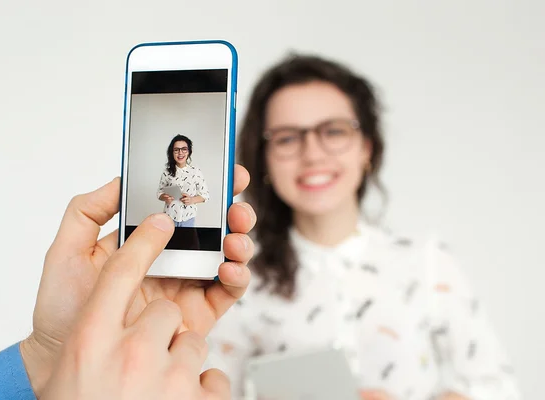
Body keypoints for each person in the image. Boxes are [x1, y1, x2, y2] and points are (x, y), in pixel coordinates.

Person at [205, 55, 522, 400]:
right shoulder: (237, 282)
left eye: (334, 131)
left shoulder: (427, 263)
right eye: (287, 138)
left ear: (366, 148)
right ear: (263, 159)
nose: (312, 154)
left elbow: (498, 388)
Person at [0, 165, 256, 399]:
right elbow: (160, 193)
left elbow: (204, 195)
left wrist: (48, 358)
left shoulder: (198, 173)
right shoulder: (164, 173)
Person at [158, 134, 210, 227]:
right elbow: (159, 193)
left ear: (189, 152)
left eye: (184, 149)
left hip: (188, 218)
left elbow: (205, 195)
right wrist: (165, 197)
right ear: (172, 152)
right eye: (176, 150)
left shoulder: (196, 172)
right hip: (169, 217)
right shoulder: (167, 172)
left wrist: (192, 200)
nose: (180, 153)